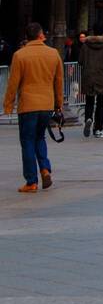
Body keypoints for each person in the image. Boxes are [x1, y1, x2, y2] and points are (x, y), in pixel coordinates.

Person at [2, 22, 64, 193]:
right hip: (46, 104)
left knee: (27, 141)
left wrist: (8, 105)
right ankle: (45, 168)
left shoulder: (20, 55)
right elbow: (59, 82)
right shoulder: (53, 54)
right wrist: (59, 104)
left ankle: (31, 181)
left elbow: (13, 83)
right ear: (41, 35)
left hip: (28, 105)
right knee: (40, 138)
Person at [80, 29, 103, 137]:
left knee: (89, 101)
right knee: (101, 105)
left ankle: (88, 118)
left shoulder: (85, 45)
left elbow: (80, 61)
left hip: (88, 77)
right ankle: (98, 129)